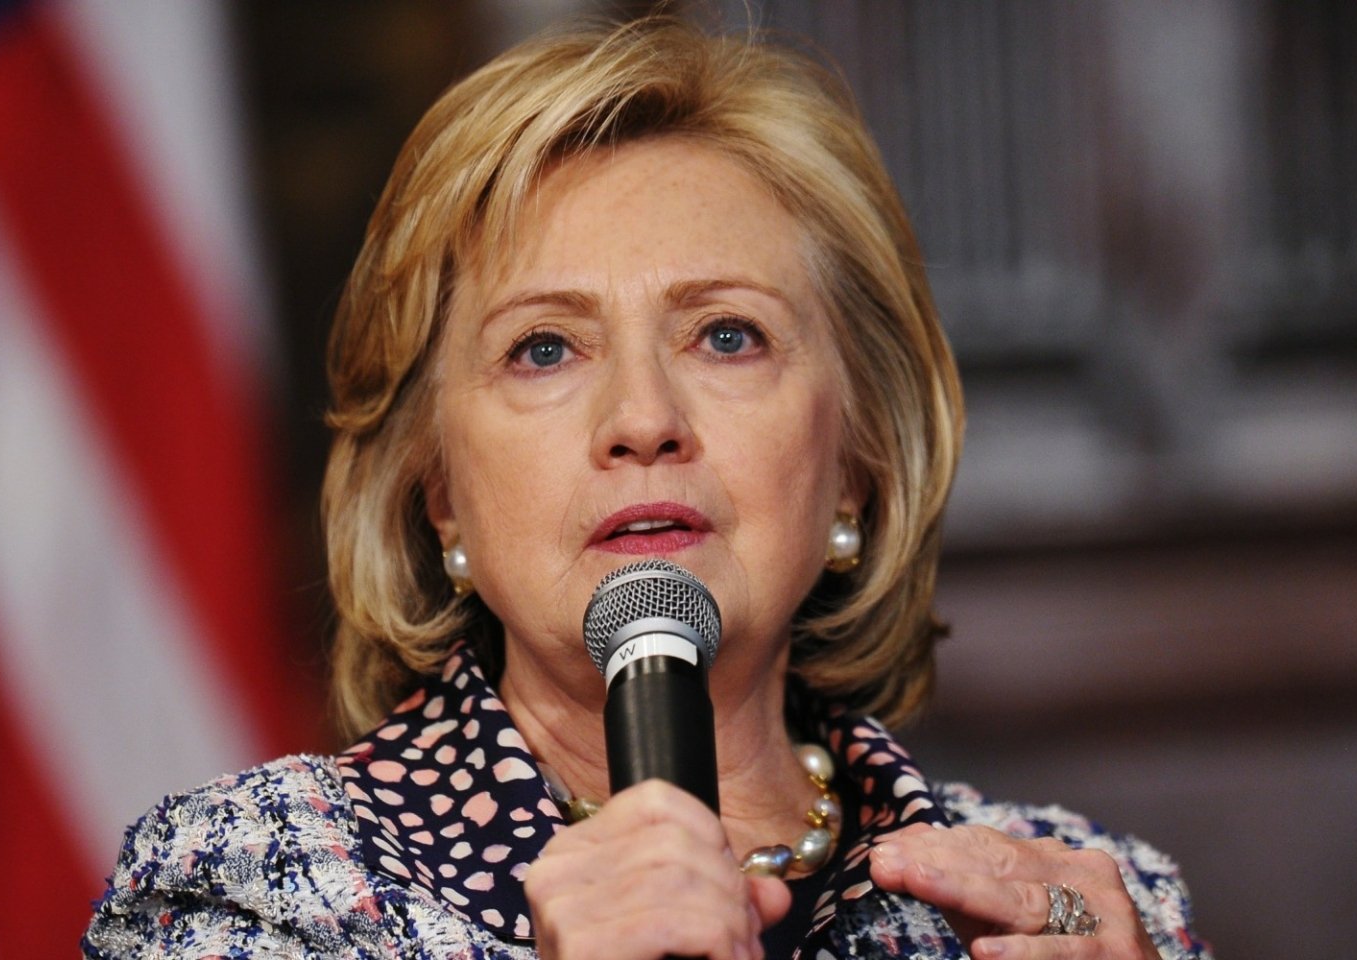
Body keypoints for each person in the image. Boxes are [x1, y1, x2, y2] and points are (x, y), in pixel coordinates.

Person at [84, 16, 1209, 960]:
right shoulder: (255, 891)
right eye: (543, 350)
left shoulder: (1089, 901)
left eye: (727, 336)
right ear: (439, 496)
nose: (642, 423)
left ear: (859, 462)